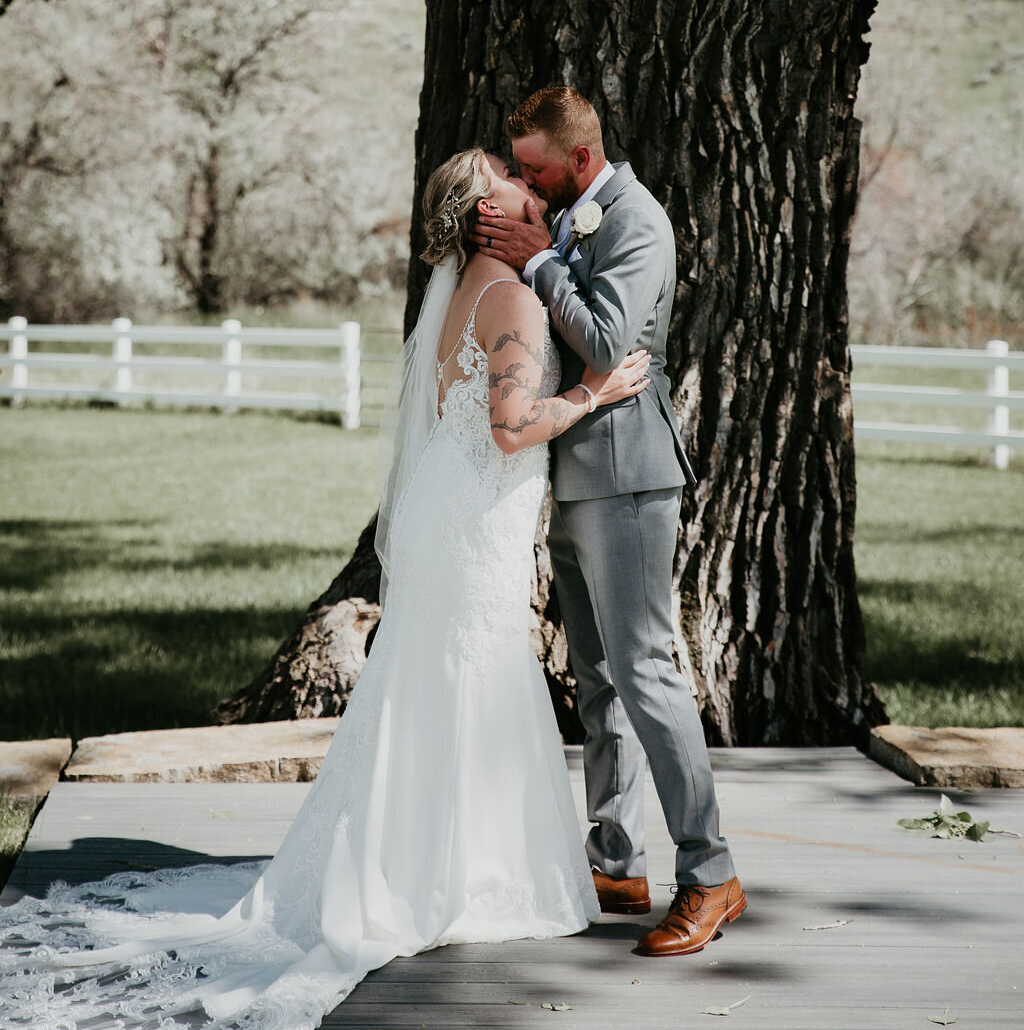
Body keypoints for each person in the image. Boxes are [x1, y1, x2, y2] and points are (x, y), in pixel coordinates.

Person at [0, 148, 651, 1030]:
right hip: (473, 519)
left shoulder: (470, 288)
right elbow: (510, 429)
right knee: (469, 679)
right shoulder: (510, 296)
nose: (522, 179)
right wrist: (596, 389)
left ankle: (426, 856)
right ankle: (456, 875)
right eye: (504, 174)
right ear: (484, 212)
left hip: (448, 512)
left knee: (438, 683)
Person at [472, 86, 746, 958]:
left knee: (645, 669)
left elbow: (604, 340)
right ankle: (616, 860)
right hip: (573, 472)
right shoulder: (572, 215)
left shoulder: (637, 221)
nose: (525, 181)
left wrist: (544, 258)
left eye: (535, 169)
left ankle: (711, 875)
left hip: (629, 474)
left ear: (581, 162)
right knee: (595, 677)